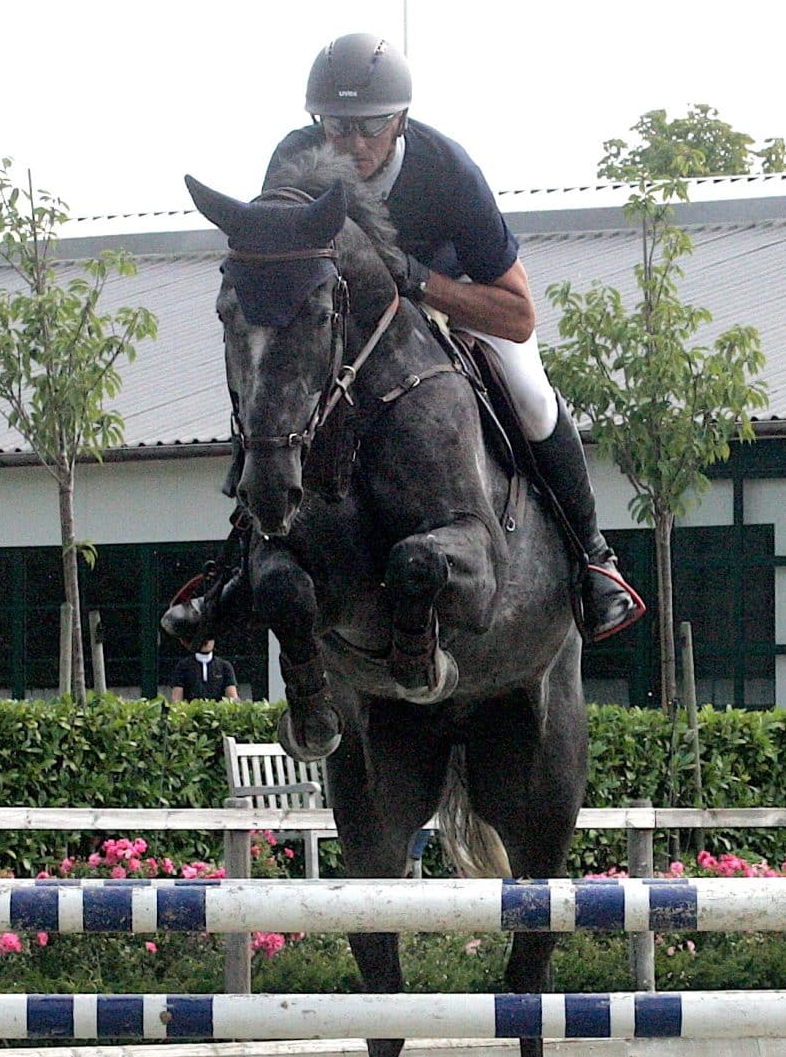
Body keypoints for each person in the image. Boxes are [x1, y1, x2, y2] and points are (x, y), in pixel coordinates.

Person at [164, 33, 645, 646]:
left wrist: (417, 281)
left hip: (452, 308)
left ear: (401, 120)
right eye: (338, 126)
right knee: (273, 391)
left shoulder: (446, 169)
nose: (354, 143)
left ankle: (593, 560)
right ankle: (233, 569)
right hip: (350, 331)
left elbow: (519, 314)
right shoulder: (294, 157)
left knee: (531, 395)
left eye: (371, 127)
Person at [165, 638, 238, 703]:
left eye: (210, 637)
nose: (206, 641)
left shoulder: (224, 666)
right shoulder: (183, 666)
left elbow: (232, 698)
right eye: (203, 637)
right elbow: (177, 700)